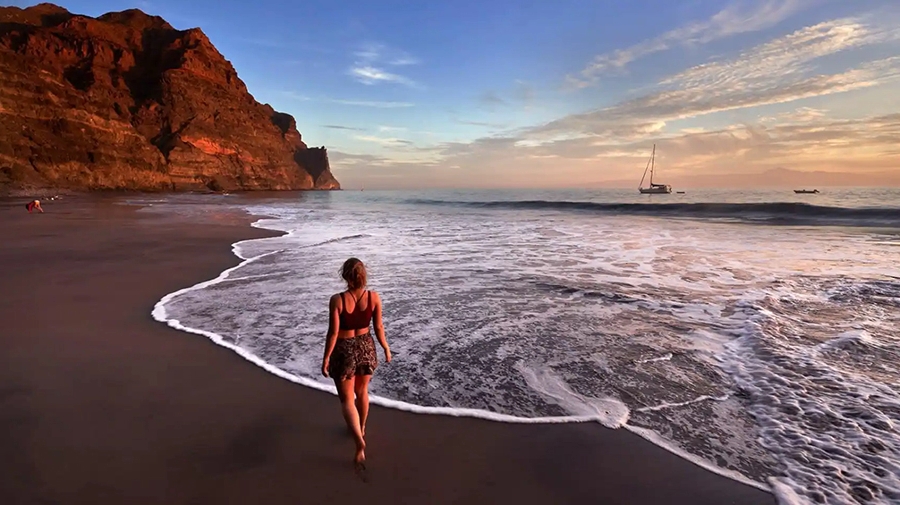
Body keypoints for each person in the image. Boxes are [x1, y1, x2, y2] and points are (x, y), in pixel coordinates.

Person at [322, 257, 391, 468]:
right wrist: (386, 348)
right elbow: (378, 327)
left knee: (346, 399)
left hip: (344, 349)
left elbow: (333, 333)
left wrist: (326, 358)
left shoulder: (338, 300)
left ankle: (359, 443)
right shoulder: (374, 297)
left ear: (345, 276)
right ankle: (361, 428)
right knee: (362, 392)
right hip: (366, 346)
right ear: (364, 276)